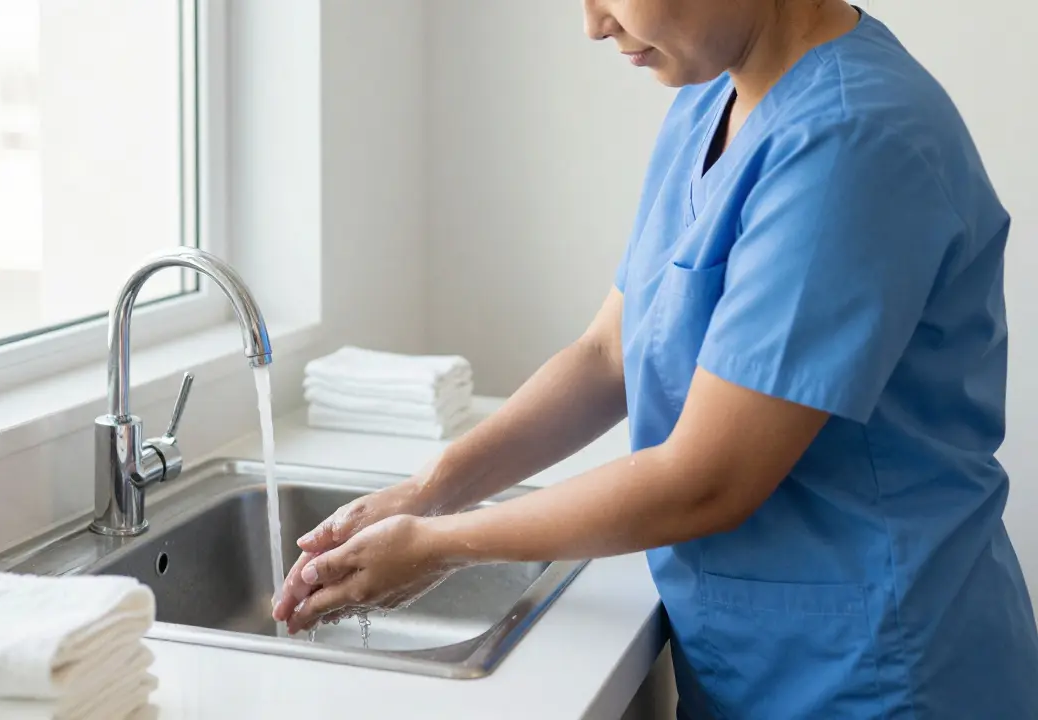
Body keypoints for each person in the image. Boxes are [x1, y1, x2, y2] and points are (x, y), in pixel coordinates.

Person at [273, 0, 1038, 716]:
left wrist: (443, 546)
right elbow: (607, 352)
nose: (594, 23)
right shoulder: (712, 100)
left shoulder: (853, 140)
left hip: (878, 673)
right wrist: (427, 493)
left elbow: (709, 481)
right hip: (760, 657)